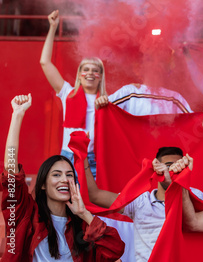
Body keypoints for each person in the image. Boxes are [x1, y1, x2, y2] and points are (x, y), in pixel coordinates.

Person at [2, 94, 124, 261]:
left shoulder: (83, 226)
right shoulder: (25, 214)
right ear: (43, 184)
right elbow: (11, 170)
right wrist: (17, 114)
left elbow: (115, 251)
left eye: (69, 175)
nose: (64, 179)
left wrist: (84, 213)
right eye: (56, 174)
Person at [84, 146, 200, 261]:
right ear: (156, 169)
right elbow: (95, 195)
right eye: (169, 166)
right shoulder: (140, 202)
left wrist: (181, 182)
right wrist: (82, 155)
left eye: (180, 166)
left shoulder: (194, 196)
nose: (174, 171)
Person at [40, 10, 106, 177]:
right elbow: (45, 63)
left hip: (94, 160)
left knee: (89, 203)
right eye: (86, 70)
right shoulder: (67, 93)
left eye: (95, 70)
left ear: (101, 77)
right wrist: (53, 28)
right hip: (68, 157)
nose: (90, 73)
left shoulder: (107, 101)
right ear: (79, 74)